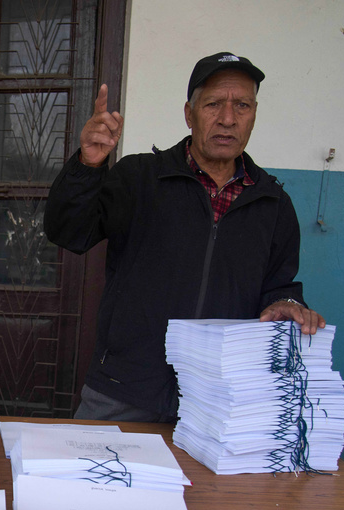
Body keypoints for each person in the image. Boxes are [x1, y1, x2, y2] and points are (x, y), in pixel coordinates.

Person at [44, 52, 325, 423]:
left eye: (242, 105)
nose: (228, 118)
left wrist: (286, 302)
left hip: (218, 400)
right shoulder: (139, 177)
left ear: (254, 114)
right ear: (189, 114)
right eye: (213, 104)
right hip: (123, 388)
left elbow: (279, 285)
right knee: (90, 479)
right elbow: (69, 232)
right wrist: (88, 164)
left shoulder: (273, 202)